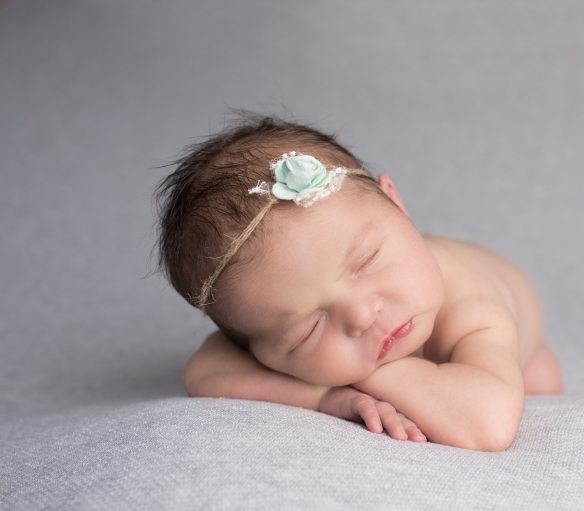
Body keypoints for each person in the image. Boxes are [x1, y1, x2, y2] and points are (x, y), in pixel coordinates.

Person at [155, 112, 562, 452]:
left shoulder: (471, 302)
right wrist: (325, 395)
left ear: (397, 204)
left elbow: (486, 424)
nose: (363, 315)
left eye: (367, 262)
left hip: (520, 335)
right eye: (306, 331)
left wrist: (350, 372)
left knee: (542, 386)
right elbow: (203, 370)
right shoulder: (264, 323)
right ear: (259, 351)